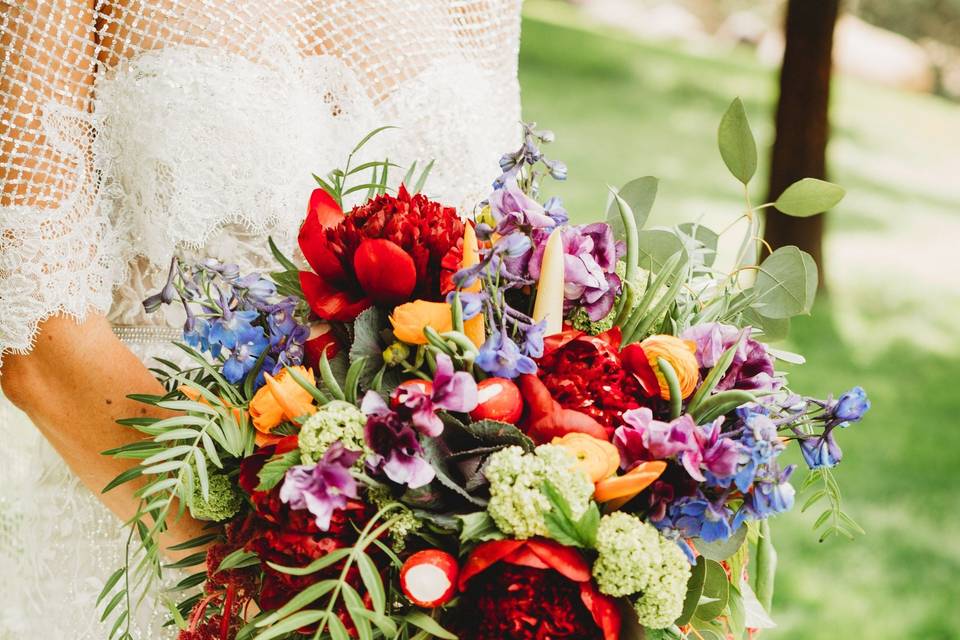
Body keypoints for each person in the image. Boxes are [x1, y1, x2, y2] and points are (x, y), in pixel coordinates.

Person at [0, 1, 522, 636]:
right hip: (146, 520)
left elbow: (501, 276)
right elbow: (34, 330)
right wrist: (255, 596)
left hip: (394, 576)